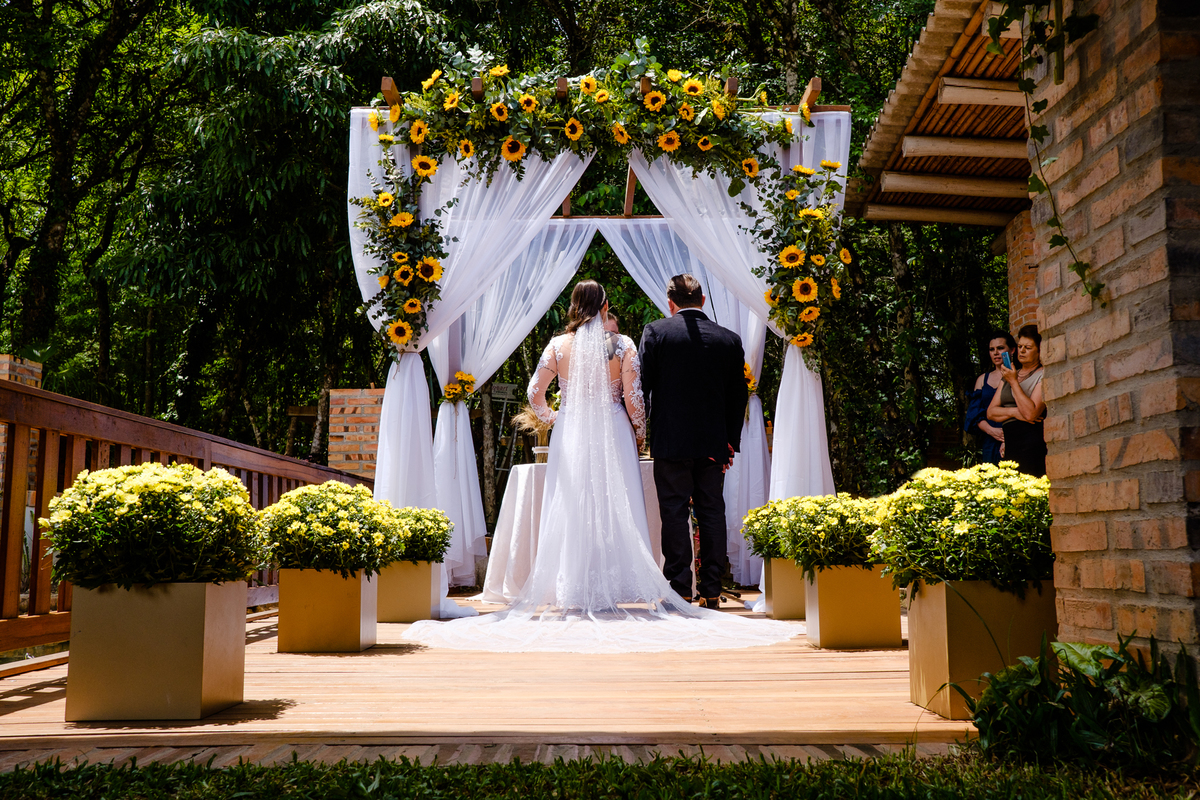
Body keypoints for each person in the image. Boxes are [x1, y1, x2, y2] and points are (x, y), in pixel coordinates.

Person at [402, 280, 793, 653]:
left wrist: (557, 417)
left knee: (572, 506)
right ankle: (663, 584)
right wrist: (638, 433)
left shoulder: (557, 346)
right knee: (620, 503)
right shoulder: (622, 345)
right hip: (615, 430)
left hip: (572, 431)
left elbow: (533, 392)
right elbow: (635, 400)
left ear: (573, 307)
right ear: (605, 307)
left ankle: (574, 583)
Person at [638, 274, 748, 608]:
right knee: (712, 510)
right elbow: (738, 396)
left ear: (670, 303)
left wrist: (639, 432)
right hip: (714, 442)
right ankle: (712, 590)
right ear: (702, 301)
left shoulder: (656, 333)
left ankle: (680, 588)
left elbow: (642, 386)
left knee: (673, 512)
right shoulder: (728, 340)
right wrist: (730, 441)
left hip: (671, 440)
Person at [987, 324, 1047, 476]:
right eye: (1020, 346)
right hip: (1010, 442)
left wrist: (1014, 382)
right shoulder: (1011, 374)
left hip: (1031, 441)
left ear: (1039, 350)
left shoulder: (1043, 375)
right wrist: (1014, 412)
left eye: (1028, 347)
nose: (1022, 351)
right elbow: (991, 412)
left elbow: (1030, 414)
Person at [964, 332, 1016, 464]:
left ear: (1012, 350)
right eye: (992, 349)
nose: (996, 353)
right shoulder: (982, 379)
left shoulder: (1019, 376)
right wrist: (992, 431)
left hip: (1015, 435)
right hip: (990, 439)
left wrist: (1007, 436)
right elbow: (974, 414)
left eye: (1000, 348)